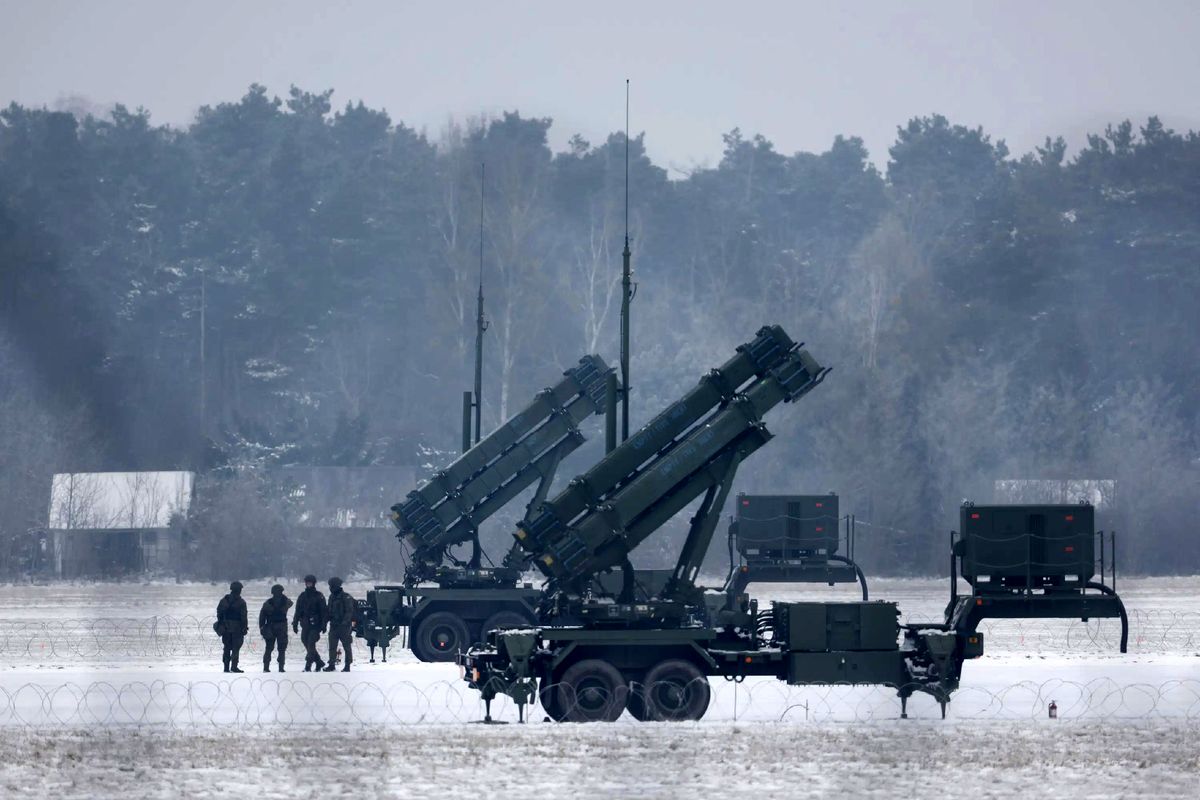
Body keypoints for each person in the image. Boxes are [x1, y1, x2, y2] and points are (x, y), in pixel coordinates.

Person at [292, 574, 328, 672]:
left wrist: (324, 625)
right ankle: (319, 662)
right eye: (307, 583)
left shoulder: (319, 596)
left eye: (310, 583)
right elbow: (298, 610)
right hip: (305, 624)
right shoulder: (302, 596)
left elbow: (324, 611)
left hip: (315, 625)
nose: (308, 584)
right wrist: (295, 623)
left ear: (313, 583)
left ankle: (308, 665)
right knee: (305, 642)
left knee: (311, 643)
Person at [258, 584, 293, 672]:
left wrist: (262, 627)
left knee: (269, 648)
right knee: (281, 648)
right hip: (281, 627)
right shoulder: (285, 602)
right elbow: (290, 603)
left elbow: (262, 617)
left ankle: (266, 667)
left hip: (271, 626)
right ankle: (281, 667)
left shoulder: (268, 603)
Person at [323, 576, 355, 672]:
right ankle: (331, 664)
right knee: (332, 646)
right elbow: (329, 611)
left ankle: (347, 665)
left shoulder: (346, 597)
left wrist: (344, 623)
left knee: (347, 646)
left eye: (332, 586)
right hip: (334, 625)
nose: (331, 588)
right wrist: (324, 622)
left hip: (344, 627)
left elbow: (349, 611)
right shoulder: (331, 597)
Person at [216, 581, 248, 673]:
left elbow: (219, 612)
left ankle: (226, 667)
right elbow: (243, 617)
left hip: (226, 627)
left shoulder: (224, 600)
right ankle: (234, 667)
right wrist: (244, 628)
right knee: (235, 648)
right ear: (239, 590)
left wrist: (222, 623)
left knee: (226, 647)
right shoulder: (241, 602)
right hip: (237, 627)